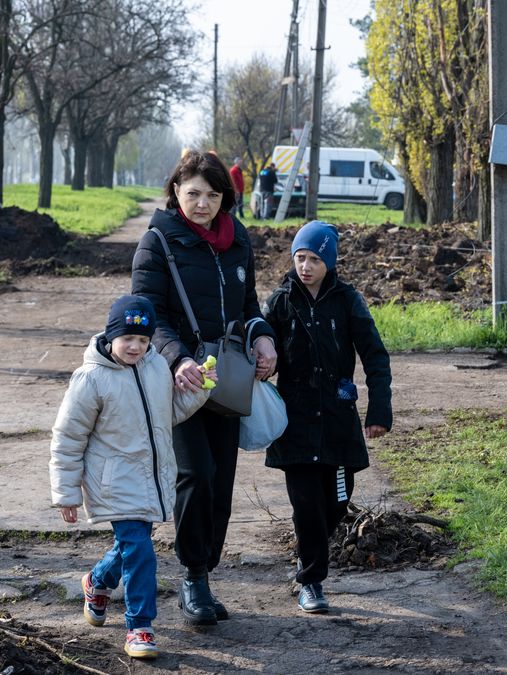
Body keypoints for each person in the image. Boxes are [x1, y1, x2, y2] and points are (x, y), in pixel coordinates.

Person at [130, 149, 278, 626]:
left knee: (222, 482)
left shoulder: (238, 243)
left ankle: (206, 570)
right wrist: (178, 360)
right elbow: (150, 316)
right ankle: (193, 576)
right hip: (180, 380)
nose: (202, 204)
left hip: (228, 381)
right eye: (193, 193)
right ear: (176, 191)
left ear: (224, 198)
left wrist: (263, 337)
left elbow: (249, 305)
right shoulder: (158, 242)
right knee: (194, 476)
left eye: (212, 196)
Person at [50, 295, 216, 659]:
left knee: (133, 545)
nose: (136, 347)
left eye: (143, 340)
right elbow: (68, 435)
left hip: (151, 477)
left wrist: (200, 389)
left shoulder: (155, 367)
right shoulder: (91, 378)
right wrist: (66, 492)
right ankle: (139, 625)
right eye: (128, 339)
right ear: (111, 336)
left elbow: (167, 414)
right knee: (141, 552)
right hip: (113, 481)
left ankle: (97, 582)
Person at [261, 220, 393, 614]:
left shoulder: (348, 300)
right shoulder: (281, 300)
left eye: (314, 259)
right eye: (300, 257)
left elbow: (375, 356)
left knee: (336, 501)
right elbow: (263, 345)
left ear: (329, 262)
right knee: (305, 505)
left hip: (337, 420)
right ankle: (312, 581)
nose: (305, 266)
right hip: (295, 421)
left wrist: (379, 409)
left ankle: (309, 555)